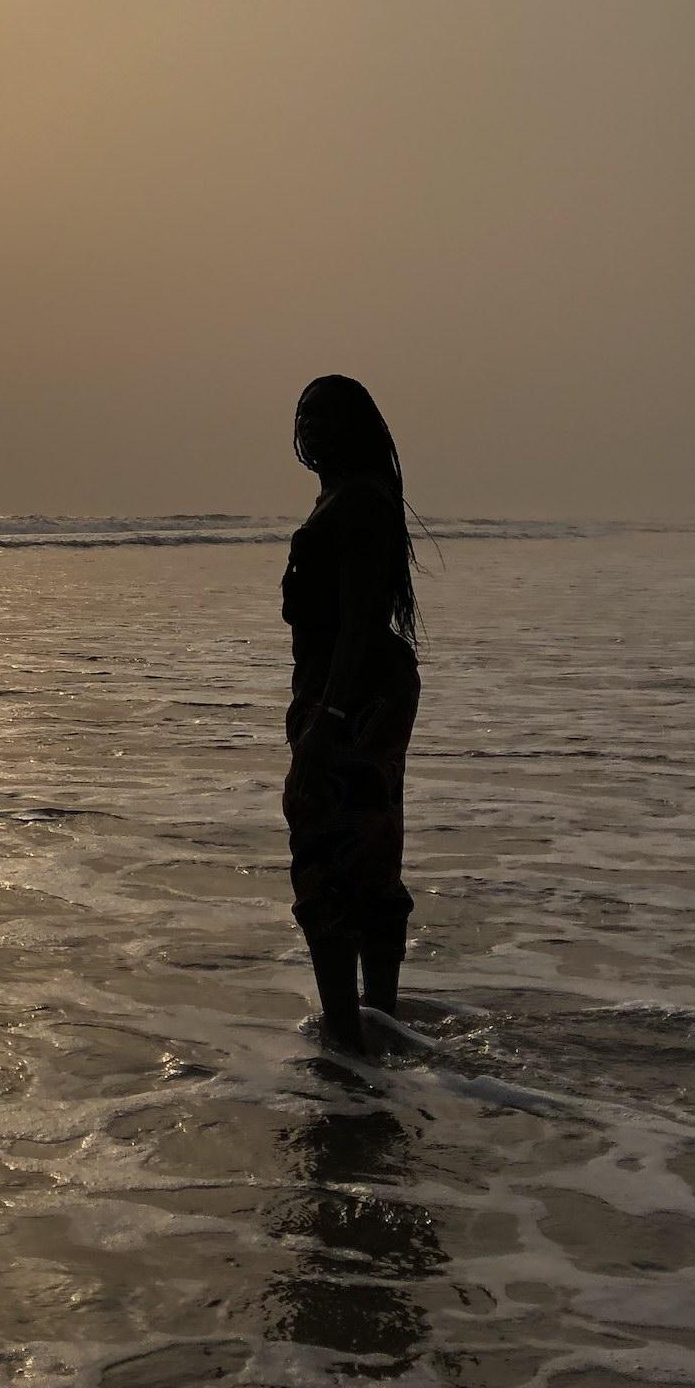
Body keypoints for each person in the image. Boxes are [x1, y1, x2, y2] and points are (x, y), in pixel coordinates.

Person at [280, 376, 422, 1052]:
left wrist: (327, 718)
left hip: (354, 693)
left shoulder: (360, 504)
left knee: (326, 847)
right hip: (361, 688)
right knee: (367, 844)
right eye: (303, 414)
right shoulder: (352, 497)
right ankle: (374, 1022)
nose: (308, 425)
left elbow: (360, 624)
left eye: (322, 414)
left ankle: (348, 1033)